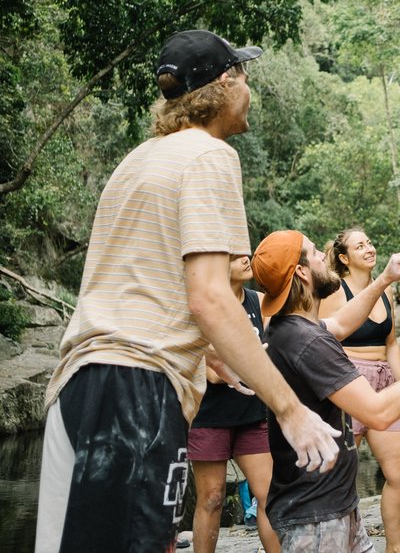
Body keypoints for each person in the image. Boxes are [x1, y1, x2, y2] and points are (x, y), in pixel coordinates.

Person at [36, 30, 341, 552]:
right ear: (225, 84)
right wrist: (291, 412)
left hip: (85, 386)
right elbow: (209, 298)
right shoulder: (210, 155)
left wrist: (214, 359)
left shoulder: (141, 158)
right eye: (245, 77)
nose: (250, 89)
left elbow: (150, 286)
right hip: (135, 391)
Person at [251, 230, 400, 552]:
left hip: (335, 506)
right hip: (316, 518)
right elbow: (377, 412)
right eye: (315, 252)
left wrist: (384, 280)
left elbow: (342, 324)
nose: (323, 256)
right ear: (302, 272)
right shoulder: (308, 343)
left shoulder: (292, 327)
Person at [319, 228, 400, 553]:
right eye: (359, 246)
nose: (369, 248)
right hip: (350, 384)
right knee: (343, 478)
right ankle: (346, 545)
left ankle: (395, 547)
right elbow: (321, 339)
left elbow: (391, 343)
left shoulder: (385, 291)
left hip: (385, 382)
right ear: (344, 258)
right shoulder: (335, 292)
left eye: (370, 242)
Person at [188, 254, 278, 553]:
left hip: (252, 414)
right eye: (234, 255)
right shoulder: (203, 305)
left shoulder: (259, 302)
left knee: (267, 495)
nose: (245, 258)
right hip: (209, 416)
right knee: (212, 498)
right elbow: (213, 376)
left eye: (246, 253)